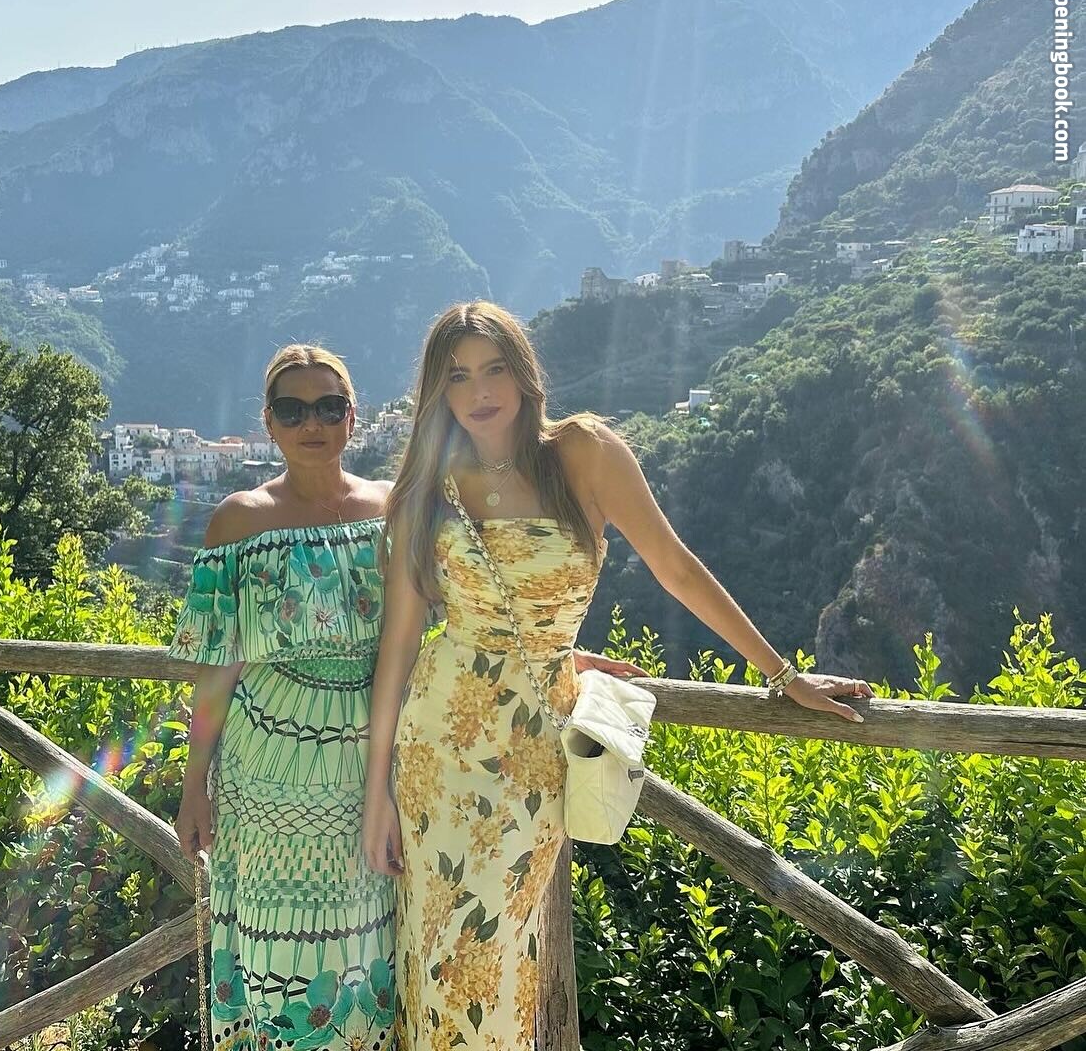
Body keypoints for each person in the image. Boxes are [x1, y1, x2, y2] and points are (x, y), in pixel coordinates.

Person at [361, 300, 874, 1051]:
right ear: (438, 390)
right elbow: (402, 647)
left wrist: (783, 673)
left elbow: (675, 567)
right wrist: (376, 794)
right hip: (437, 747)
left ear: (524, 373)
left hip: (533, 751)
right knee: (437, 949)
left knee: (496, 951)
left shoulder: (584, 451)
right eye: (458, 375)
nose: (479, 391)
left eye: (494, 368)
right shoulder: (428, 489)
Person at [167, 344, 398, 1051]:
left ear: (353, 416)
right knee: (271, 950)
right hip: (264, 778)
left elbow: (454, 619)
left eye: (328, 406)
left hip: (370, 773)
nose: (312, 424)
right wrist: (194, 783)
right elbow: (218, 668)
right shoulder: (239, 520)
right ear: (268, 423)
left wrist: (554, 650)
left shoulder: (393, 508)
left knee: (369, 949)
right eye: (292, 410)